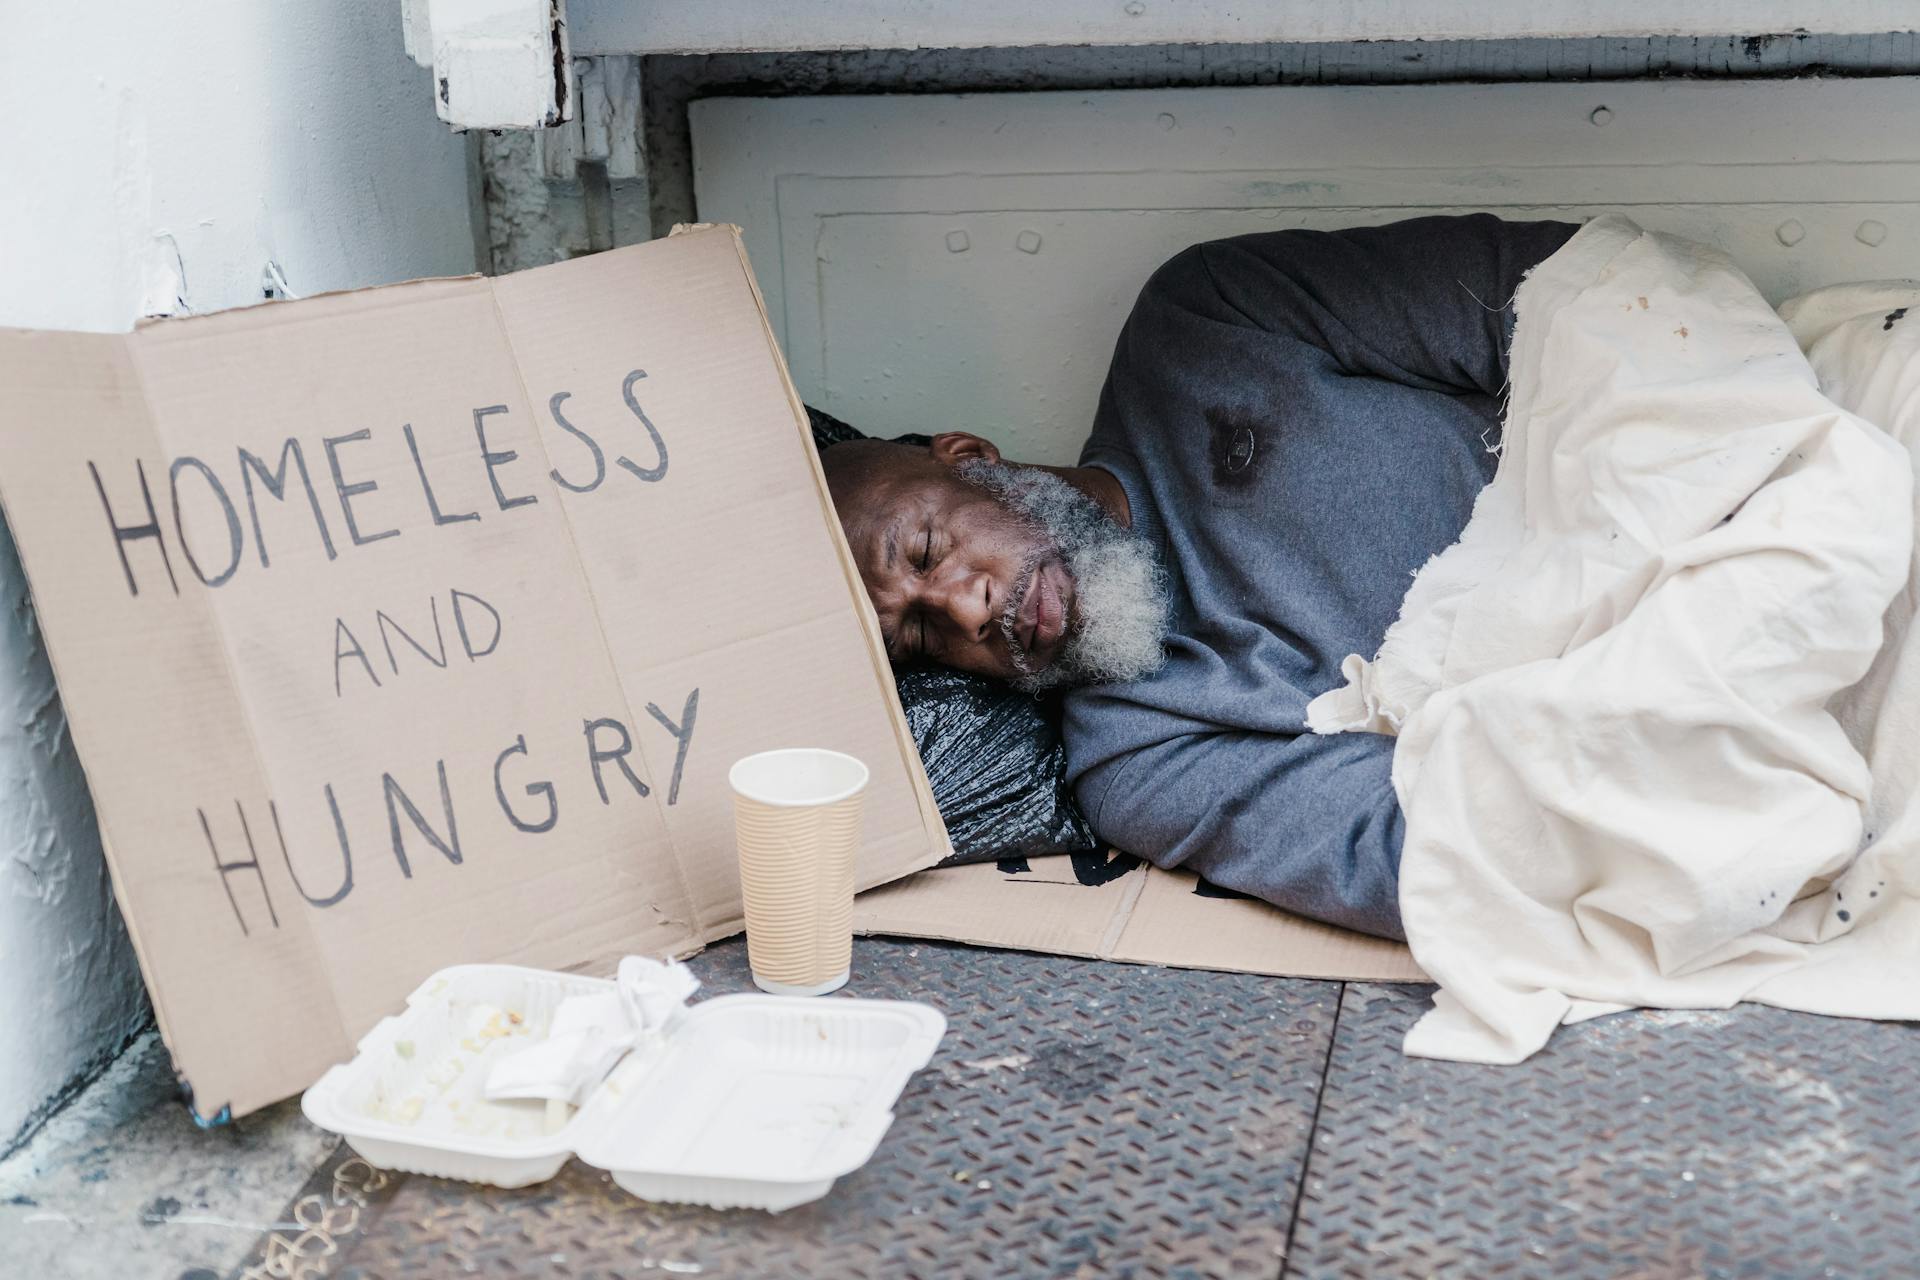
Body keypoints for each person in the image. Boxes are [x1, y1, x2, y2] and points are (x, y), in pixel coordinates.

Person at [822, 214, 1579, 938]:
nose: (964, 611)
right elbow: (1442, 855)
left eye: (924, 550)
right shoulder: (1139, 757)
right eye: (918, 636)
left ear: (971, 459)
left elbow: (1568, 300)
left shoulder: (1206, 318)